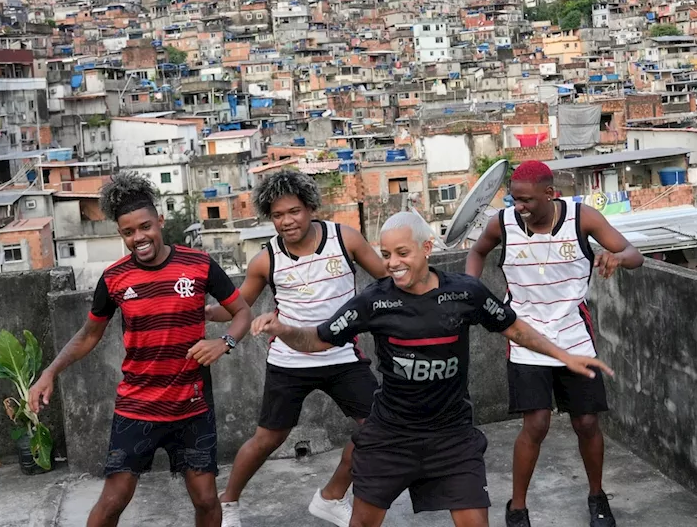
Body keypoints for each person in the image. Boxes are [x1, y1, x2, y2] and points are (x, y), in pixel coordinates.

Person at [253, 212, 613, 527]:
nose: (392, 263)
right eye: (386, 255)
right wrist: (283, 329)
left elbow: (515, 327)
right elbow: (317, 339)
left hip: (452, 436)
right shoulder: (373, 301)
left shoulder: (466, 293)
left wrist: (565, 357)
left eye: (402, 253)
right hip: (391, 436)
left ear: (426, 248)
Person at [28, 172, 252, 527]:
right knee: (113, 500)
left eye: (145, 227)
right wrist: (50, 372)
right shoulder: (115, 278)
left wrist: (224, 342)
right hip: (138, 407)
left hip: (191, 406)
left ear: (160, 221)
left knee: (207, 500)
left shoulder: (199, 265)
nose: (138, 238)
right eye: (128, 233)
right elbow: (89, 334)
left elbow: (242, 311)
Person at [465, 161, 644, 527]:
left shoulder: (583, 219)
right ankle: (517, 507)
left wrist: (616, 258)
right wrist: (472, 291)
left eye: (527, 200)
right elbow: (477, 252)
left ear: (550, 194)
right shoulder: (503, 223)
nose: (520, 207)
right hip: (525, 338)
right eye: (515, 200)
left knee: (587, 422)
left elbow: (633, 254)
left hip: (575, 339)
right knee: (536, 424)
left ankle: (597, 497)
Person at [207, 170, 386, 527]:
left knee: (379, 428)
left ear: (310, 208)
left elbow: (387, 277)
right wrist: (197, 310)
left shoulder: (345, 238)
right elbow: (237, 305)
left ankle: (332, 496)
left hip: (340, 355)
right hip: (289, 361)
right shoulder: (265, 260)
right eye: (277, 215)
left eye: (294, 211)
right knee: (267, 439)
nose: (287, 221)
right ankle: (226, 503)